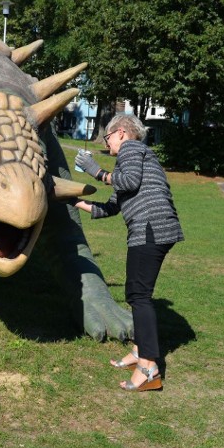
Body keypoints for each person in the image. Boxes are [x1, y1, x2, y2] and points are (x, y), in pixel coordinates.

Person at [74, 114, 183, 392]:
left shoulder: (132, 149)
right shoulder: (131, 159)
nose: (106, 142)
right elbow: (112, 206)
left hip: (151, 228)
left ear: (121, 133)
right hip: (152, 229)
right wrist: (74, 202)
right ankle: (138, 352)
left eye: (107, 137)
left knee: (139, 296)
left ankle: (149, 367)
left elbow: (130, 181)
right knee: (136, 292)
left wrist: (95, 171)